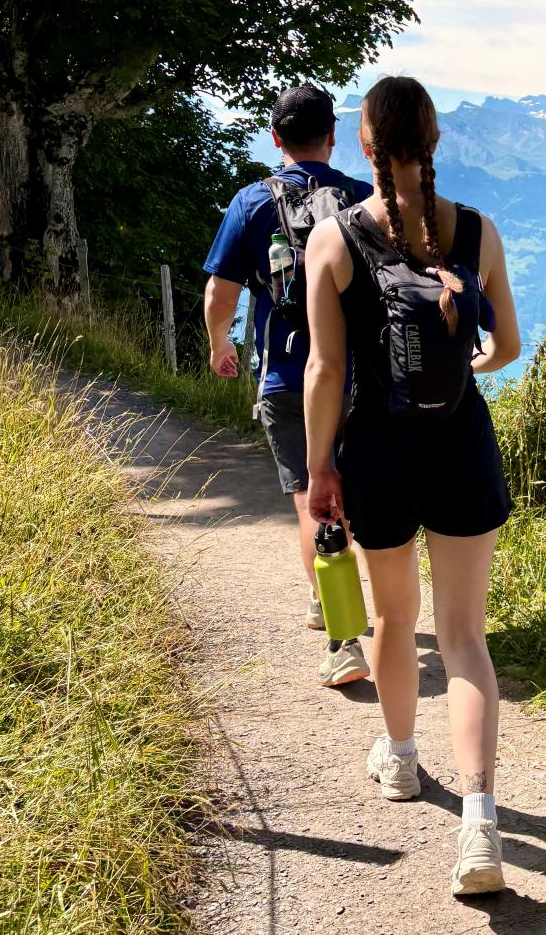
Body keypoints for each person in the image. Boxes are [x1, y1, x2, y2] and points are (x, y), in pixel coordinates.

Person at [303, 76, 521, 895]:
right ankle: (480, 825)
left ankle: (399, 758)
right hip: (462, 448)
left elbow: (325, 371)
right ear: (434, 142)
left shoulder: (335, 239)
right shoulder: (478, 231)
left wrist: (320, 467)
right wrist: (464, 367)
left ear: (364, 145)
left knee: (396, 617)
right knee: (465, 639)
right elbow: (508, 345)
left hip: (378, 453)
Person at [203, 85, 374, 688]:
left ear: (275, 138)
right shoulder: (361, 199)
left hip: (287, 374)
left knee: (311, 498)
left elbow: (221, 292)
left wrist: (220, 344)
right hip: (360, 375)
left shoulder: (251, 202)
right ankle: (356, 604)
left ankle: (342, 636)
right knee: (353, 495)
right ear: (333, 136)